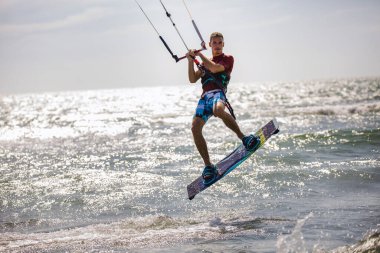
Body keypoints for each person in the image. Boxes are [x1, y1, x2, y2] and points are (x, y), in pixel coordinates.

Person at [186, 32, 260, 185]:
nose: (217, 45)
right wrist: (190, 60)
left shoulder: (227, 59)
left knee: (218, 110)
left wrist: (198, 55)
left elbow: (213, 68)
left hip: (218, 94)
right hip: (204, 97)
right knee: (194, 127)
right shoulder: (205, 63)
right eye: (215, 43)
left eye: (220, 43)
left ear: (223, 45)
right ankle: (208, 166)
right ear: (210, 45)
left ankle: (244, 138)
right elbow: (193, 79)